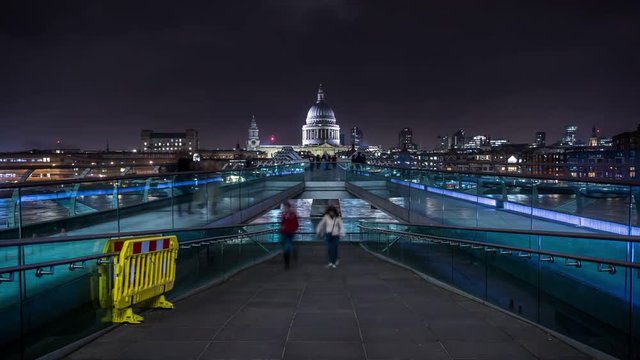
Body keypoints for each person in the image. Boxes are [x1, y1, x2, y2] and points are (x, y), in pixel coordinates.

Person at [280, 201, 299, 269]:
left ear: (288, 208)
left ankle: (287, 264)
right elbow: (282, 224)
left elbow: (296, 225)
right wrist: (282, 228)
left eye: (285, 208)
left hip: (290, 233)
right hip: (284, 233)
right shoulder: (284, 215)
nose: (284, 209)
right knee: (287, 247)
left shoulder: (293, 215)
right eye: (284, 208)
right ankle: (287, 262)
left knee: (286, 248)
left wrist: (292, 230)